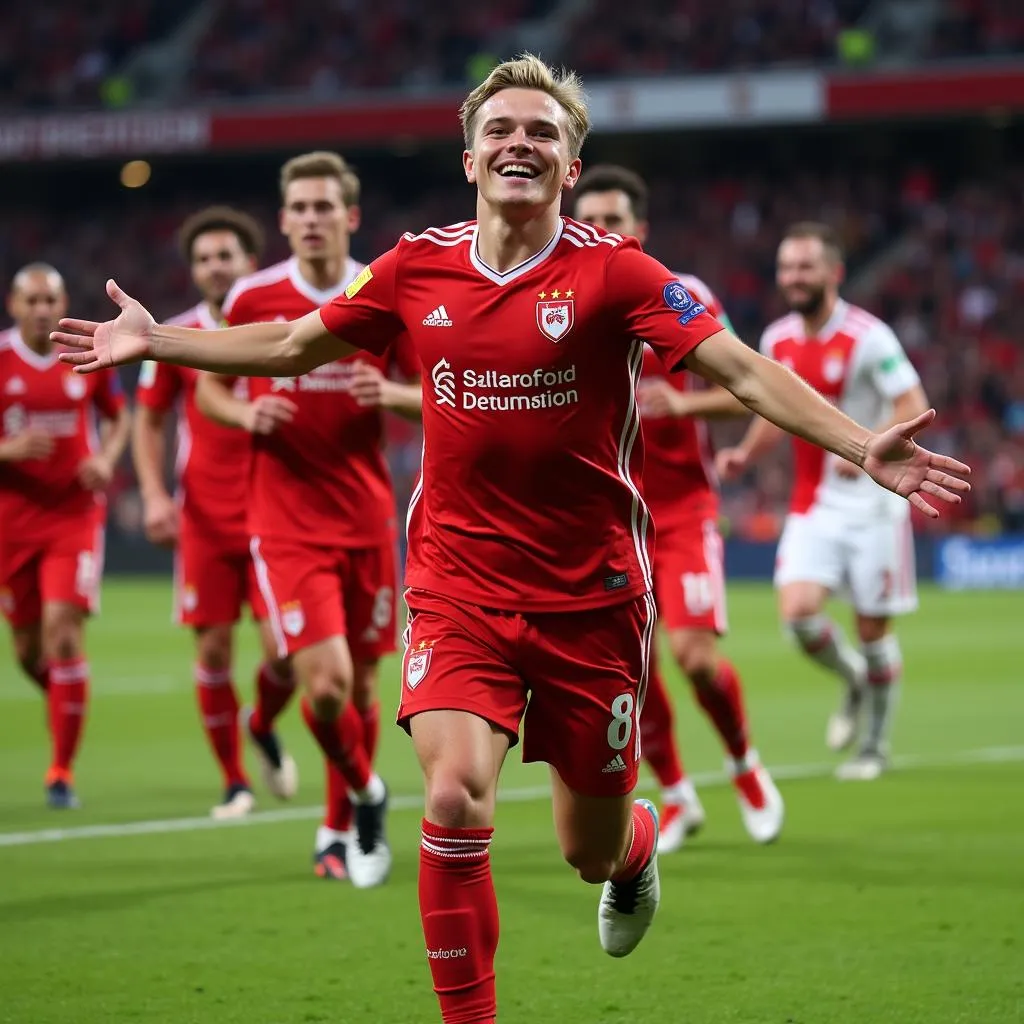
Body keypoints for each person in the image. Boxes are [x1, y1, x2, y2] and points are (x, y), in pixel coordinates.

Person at [53, 56, 970, 1024]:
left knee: (587, 848)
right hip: (457, 583)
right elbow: (290, 344)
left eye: (542, 132)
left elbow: (741, 371)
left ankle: (634, 846)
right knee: (451, 800)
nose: (519, 142)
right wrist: (158, 342)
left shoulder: (618, 272)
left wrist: (864, 442)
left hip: (593, 595)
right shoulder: (413, 264)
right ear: (469, 157)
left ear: (570, 168)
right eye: (500, 130)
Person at [194, 151, 420, 882]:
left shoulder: (382, 294)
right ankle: (367, 793)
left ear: (349, 217)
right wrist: (247, 410)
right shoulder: (254, 298)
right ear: (283, 219)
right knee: (323, 684)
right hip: (285, 519)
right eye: (300, 207)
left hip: (367, 518)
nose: (312, 219)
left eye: (326, 207)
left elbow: (439, 392)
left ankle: (338, 828)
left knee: (358, 689)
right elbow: (208, 392)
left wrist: (388, 396)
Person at [573, 164, 783, 850]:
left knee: (694, 657)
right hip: (604, 516)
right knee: (629, 670)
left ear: (640, 230)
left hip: (683, 509)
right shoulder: (555, 300)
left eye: (614, 220)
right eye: (591, 219)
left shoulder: (679, 294)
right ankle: (676, 793)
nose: (602, 231)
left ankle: (744, 764)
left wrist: (684, 401)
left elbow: (745, 383)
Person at [710, 222, 931, 781]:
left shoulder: (868, 336)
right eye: (786, 267)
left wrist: (862, 446)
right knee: (799, 615)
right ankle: (854, 678)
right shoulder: (777, 339)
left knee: (873, 630)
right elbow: (773, 411)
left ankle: (874, 747)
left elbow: (912, 401)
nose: (793, 277)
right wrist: (745, 455)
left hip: (875, 505)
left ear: (834, 272)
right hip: (813, 504)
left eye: (806, 267)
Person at [132, 206, 299, 819]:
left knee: (286, 653)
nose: (214, 267)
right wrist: (153, 495)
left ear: (250, 263)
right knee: (212, 654)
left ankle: (261, 722)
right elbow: (147, 422)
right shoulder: (173, 335)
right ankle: (234, 781)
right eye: (203, 258)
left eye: (225, 255)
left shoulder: (285, 328)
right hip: (204, 517)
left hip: (274, 512)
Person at [0, 264, 130, 809]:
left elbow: (120, 417)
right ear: (14, 305)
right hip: (12, 522)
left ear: (62, 302)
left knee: (62, 632)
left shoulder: (86, 350)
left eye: (50, 298)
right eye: (31, 300)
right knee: (29, 652)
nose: (41, 309)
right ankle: (68, 699)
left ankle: (60, 771)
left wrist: (104, 458)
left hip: (74, 518)